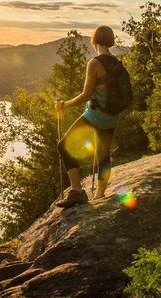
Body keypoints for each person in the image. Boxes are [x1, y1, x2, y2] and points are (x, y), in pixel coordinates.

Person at [55, 25, 120, 208]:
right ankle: (100, 194)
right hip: (112, 116)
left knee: (64, 145)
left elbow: (85, 95)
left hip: (95, 115)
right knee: (103, 154)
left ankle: (76, 191)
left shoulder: (95, 63)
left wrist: (64, 105)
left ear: (95, 41)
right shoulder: (116, 62)